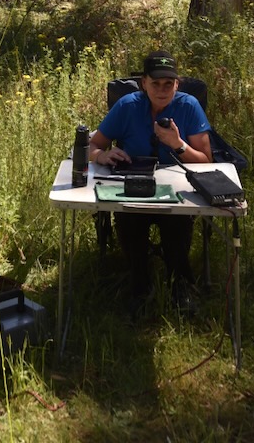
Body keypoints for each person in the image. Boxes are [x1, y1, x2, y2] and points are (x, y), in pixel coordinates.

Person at [88, 50, 212, 313]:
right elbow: (92, 146)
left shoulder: (189, 106)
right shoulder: (127, 106)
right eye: (155, 83)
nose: (162, 90)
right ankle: (140, 286)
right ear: (143, 83)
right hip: (133, 184)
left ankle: (181, 286)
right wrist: (103, 155)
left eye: (169, 84)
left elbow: (206, 161)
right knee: (129, 220)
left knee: (177, 223)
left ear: (177, 84)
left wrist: (178, 144)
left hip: (176, 190)